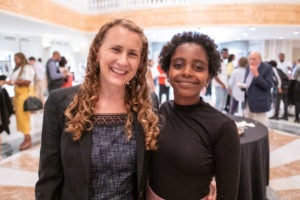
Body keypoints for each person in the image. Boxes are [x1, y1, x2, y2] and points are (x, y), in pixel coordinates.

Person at [35, 19, 161, 200]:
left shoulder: (148, 104)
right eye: (116, 49)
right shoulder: (60, 102)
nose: (123, 61)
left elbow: (157, 166)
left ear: (140, 62)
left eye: (132, 54)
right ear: (97, 52)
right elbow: (49, 176)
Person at [148, 32, 241, 199]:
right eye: (178, 65)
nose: (187, 72)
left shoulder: (223, 127)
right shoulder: (162, 110)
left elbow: (228, 193)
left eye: (198, 67)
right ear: (167, 72)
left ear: (209, 76)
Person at [3, 52, 35, 150]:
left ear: (22, 59)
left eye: (16, 59)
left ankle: (27, 138)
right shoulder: (17, 69)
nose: (15, 61)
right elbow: (15, 81)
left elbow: (27, 81)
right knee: (20, 118)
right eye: (14, 59)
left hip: (24, 95)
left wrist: (12, 82)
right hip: (18, 95)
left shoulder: (27, 68)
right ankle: (26, 137)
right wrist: (6, 82)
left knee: (24, 118)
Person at [243, 51, 273, 125]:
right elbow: (247, 83)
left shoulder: (267, 68)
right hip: (248, 102)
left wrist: (256, 74)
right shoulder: (247, 68)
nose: (252, 61)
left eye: (254, 59)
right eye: (250, 59)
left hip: (260, 103)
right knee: (248, 124)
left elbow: (267, 85)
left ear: (260, 59)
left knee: (260, 126)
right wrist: (242, 87)